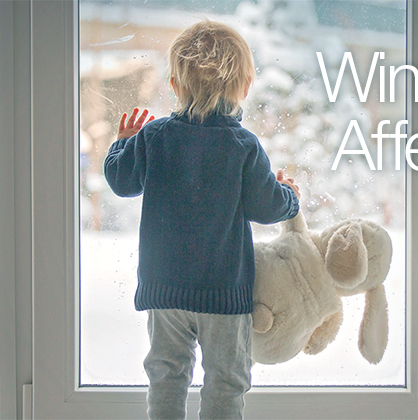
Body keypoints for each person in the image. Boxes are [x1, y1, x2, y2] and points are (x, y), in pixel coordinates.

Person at [104, 20, 300, 420]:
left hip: (165, 290)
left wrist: (122, 142)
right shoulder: (243, 145)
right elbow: (266, 206)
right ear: (246, 85)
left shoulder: (155, 136)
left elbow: (122, 182)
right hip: (223, 293)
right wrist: (290, 198)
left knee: (166, 374)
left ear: (175, 85)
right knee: (226, 379)